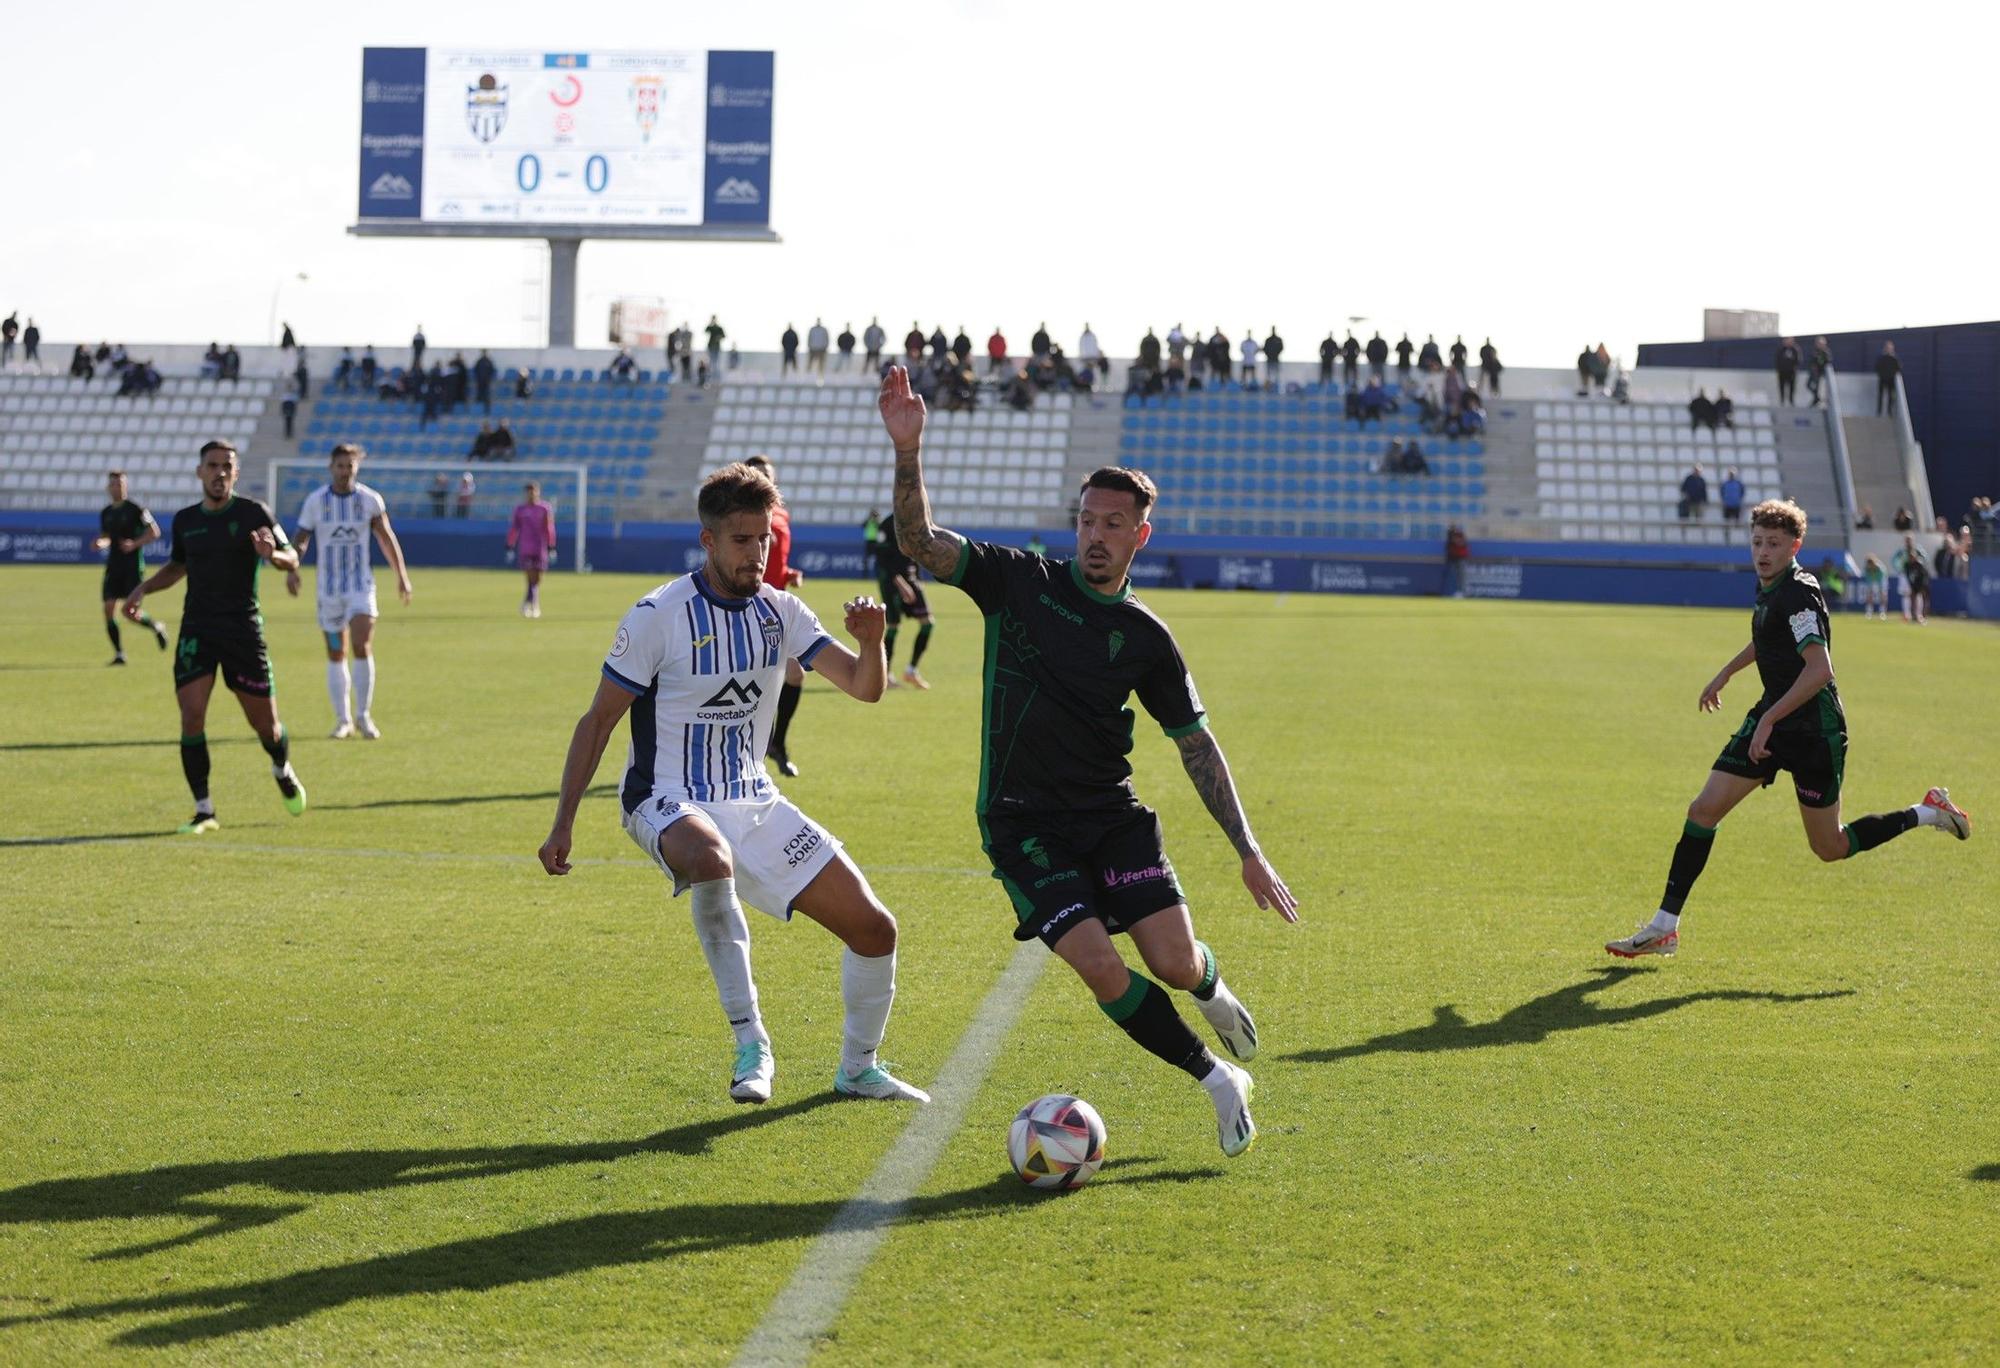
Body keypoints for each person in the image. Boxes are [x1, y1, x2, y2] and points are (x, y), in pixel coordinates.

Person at [877, 364, 1297, 1156]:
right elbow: (918, 543)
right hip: (1022, 824)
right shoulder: (1018, 582)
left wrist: (1248, 850)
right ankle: (1217, 1079)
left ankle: (1208, 985)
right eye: (1087, 519)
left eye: (1113, 524)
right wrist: (910, 449)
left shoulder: (1147, 638)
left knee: (1172, 961)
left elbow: (1196, 746)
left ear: (1140, 535)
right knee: (1103, 967)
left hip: (1111, 818)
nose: (1095, 535)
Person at [536, 462, 927, 1106]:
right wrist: (563, 822)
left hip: (754, 799)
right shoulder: (659, 614)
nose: (757, 553)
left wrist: (874, 642)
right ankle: (752, 1043)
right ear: (709, 540)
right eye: (742, 540)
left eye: (764, 538)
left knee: (875, 929)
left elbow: (864, 687)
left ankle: (858, 1068)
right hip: (665, 797)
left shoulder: (782, 613)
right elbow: (598, 719)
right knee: (711, 861)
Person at [1605, 499, 1970, 960]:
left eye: (1774, 544)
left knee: (1830, 846)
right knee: (1703, 810)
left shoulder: (1799, 592)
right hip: (1773, 716)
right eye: (1757, 541)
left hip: (1813, 732)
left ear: (1795, 545)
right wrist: (1727, 673)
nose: (1763, 551)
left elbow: (1820, 670)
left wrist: (1771, 721)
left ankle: (1929, 810)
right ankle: (1664, 927)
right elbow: (1768, 636)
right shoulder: (1771, 585)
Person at [123, 441, 307, 833]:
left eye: (227, 466)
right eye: (213, 466)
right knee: (191, 717)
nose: (220, 472)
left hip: (242, 629)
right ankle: (204, 810)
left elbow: (291, 556)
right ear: (200, 472)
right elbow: (178, 565)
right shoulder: (186, 520)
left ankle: (281, 766)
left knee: (267, 728)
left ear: (236, 474)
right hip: (198, 628)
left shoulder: (254, 512)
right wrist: (144, 589)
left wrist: (271, 554)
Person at [285, 443, 414, 740]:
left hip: (360, 586)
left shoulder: (370, 500)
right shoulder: (316, 501)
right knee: (335, 652)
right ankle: (343, 720)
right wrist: (293, 569)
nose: (345, 471)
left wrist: (401, 576)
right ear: (331, 467)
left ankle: (363, 716)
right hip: (328, 590)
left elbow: (386, 537)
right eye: (340, 466)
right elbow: (301, 539)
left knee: (361, 644)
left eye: (350, 466)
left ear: (357, 468)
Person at [744, 455, 809, 777]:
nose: (764, 478)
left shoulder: (780, 513)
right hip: (745, 607)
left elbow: (774, 562)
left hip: (775, 609)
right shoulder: (739, 517)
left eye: (768, 474)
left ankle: (776, 744)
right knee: (753, 684)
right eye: (758, 474)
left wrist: (789, 573)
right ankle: (748, 752)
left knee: (795, 676)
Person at [94, 471, 169, 664]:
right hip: (114, 565)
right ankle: (119, 653)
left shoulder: (136, 509)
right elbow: (106, 536)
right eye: (113, 484)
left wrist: (134, 544)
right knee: (109, 608)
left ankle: (156, 626)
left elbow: (154, 532)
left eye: (120, 484)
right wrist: (101, 543)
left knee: (129, 611)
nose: (117, 487)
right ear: (108, 488)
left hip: (133, 566)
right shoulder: (106, 513)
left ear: (125, 486)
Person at [873, 512, 935, 689]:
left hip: (911, 578)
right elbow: (882, 558)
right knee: (893, 625)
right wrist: (900, 583)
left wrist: (918, 579)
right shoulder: (887, 524)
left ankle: (911, 671)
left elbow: (915, 552)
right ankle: (885, 674)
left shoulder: (915, 519)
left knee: (928, 623)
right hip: (891, 581)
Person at [507, 481, 557, 618]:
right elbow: (514, 528)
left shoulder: (544, 508)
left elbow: (549, 528)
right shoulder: (520, 510)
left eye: (534, 490)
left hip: (540, 548)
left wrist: (551, 546)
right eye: (529, 491)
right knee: (530, 577)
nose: (531, 494)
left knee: (537, 579)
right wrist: (510, 545)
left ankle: (526, 604)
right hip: (526, 548)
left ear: (538, 492)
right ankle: (535, 605)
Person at [1896, 535, 1930, 623]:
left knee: (1919, 596)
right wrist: (1899, 569)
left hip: (1919, 580)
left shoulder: (1918, 551)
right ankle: (1908, 614)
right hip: (1908, 577)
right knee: (1907, 594)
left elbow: (1926, 559)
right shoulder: (1902, 552)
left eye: (1909, 540)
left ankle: (1919, 615)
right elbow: (1895, 561)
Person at [1875, 342, 1902, 415]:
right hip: (1883, 379)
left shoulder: (1894, 359)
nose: (1888, 350)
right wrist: (1882, 374)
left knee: (1891, 396)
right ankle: (1879, 411)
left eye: (1890, 348)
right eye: (1887, 348)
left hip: (1891, 380)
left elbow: (1898, 368)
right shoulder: (1881, 358)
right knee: (1881, 395)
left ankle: (1890, 412)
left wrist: (1892, 374)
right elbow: (1877, 367)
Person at [1444, 525, 1470, 598]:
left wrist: (1454, 539)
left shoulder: (1460, 536)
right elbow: (1448, 548)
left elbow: (1461, 543)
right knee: (1457, 577)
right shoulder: (1450, 538)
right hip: (1454, 558)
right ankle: (1459, 592)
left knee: (1462, 576)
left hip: (1461, 558)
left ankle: (1464, 592)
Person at [1775, 337, 1801, 406]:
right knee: (1782, 386)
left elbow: (1798, 360)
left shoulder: (1795, 350)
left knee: (1792, 386)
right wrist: (1779, 369)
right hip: (1782, 371)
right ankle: (1782, 400)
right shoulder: (1781, 349)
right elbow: (1777, 360)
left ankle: (1791, 400)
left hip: (1791, 372)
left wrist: (1794, 368)